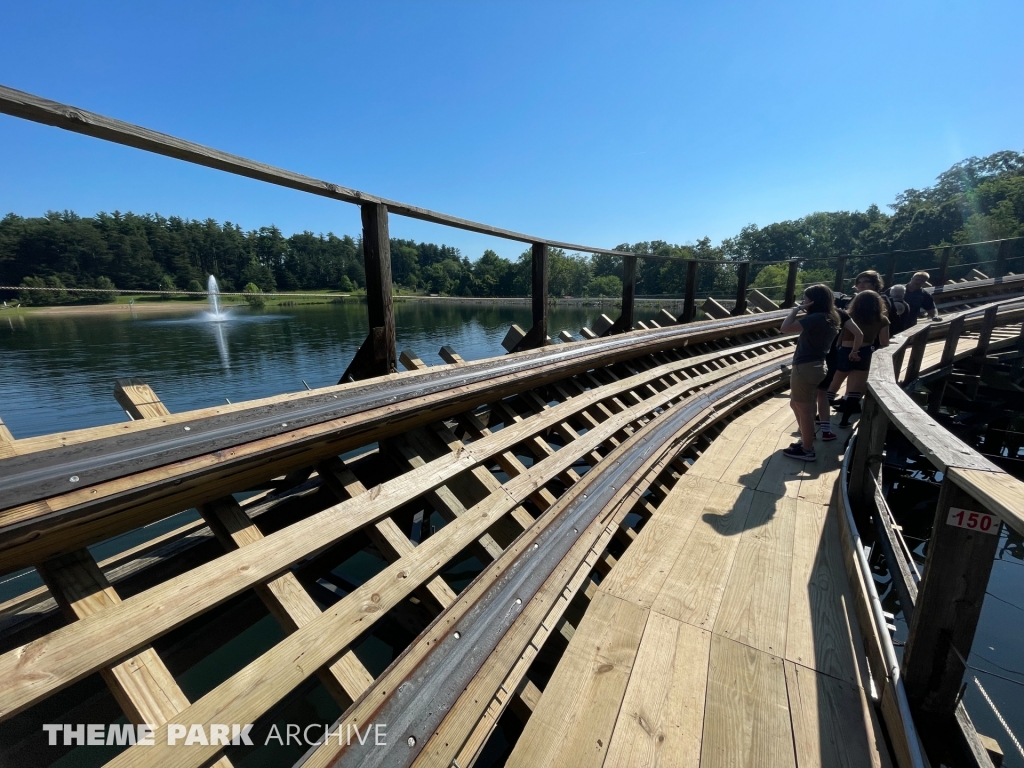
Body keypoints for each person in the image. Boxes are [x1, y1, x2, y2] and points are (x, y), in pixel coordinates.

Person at [780, 284, 863, 461]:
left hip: (806, 367)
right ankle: (806, 439)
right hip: (817, 365)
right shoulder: (831, 316)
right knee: (797, 405)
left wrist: (796, 309)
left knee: (805, 410)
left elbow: (785, 328)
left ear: (813, 301)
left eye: (806, 298)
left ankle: (807, 449)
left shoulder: (817, 317)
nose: (804, 301)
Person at [828, 290, 890, 426]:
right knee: (856, 389)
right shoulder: (882, 319)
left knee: (834, 384)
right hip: (865, 352)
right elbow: (884, 342)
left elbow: (839, 335)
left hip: (844, 350)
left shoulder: (848, 316)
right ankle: (845, 420)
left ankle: (821, 416)